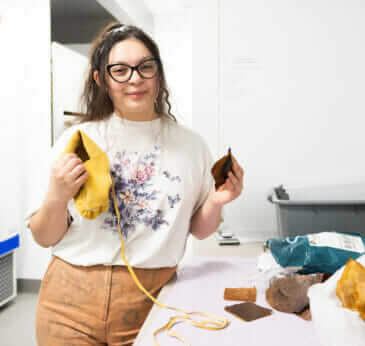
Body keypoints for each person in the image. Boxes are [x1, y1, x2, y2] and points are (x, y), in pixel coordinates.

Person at [26, 23, 244, 346]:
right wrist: (57, 198)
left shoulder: (191, 146)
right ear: (101, 79)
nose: (135, 78)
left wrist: (217, 200)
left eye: (145, 66)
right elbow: (44, 236)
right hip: (67, 307)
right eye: (120, 70)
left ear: (158, 73)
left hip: (150, 303)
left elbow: (199, 229)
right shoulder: (75, 140)